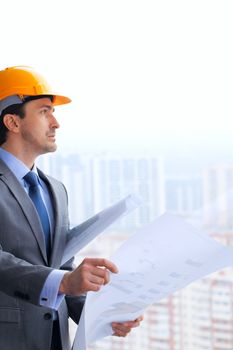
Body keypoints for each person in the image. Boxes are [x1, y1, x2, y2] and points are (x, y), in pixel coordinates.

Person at [0, 66, 143, 350]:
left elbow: (61, 268)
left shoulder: (55, 190)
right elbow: (58, 280)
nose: (55, 123)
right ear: (13, 122)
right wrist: (64, 281)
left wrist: (103, 315)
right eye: (44, 111)